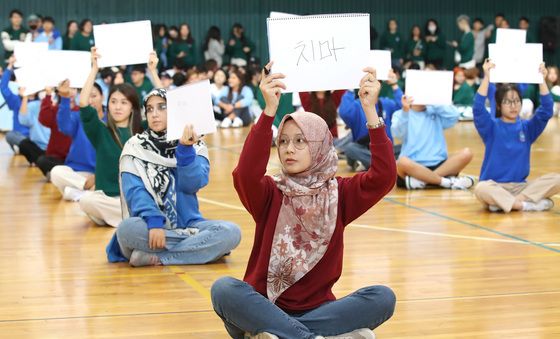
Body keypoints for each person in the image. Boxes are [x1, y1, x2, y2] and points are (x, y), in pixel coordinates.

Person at [211, 64, 396, 339]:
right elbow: (245, 174)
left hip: (318, 311)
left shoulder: (340, 194)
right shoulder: (271, 192)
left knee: (383, 297)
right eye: (283, 141)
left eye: (300, 141)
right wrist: (269, 111)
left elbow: (384, 177)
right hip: (265, 306)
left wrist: (370, 111)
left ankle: (283, 335)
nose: (289, 148)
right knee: (224, 290)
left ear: (320, 145)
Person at [106, 88, 242, 266]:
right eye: (150, 109)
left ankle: (159, 258)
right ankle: (199, 249)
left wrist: (185, 150)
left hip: (189, 224)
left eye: (162, 107)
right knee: (125, 230)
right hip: (147, 226)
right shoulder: (135, 146)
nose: (155, 114)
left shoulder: (195, 145)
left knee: (231, 232)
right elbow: (135, 192)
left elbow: (192, 184)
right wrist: (154, 222)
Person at [473, 59, 560, 212]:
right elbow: (478, 108)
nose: (513, 106)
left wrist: (541, 79)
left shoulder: (527, 128)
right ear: (499, 105)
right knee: (481, 188)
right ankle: (525, 206)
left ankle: (505, 203)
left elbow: (547, 110)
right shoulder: (491, 126)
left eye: (517, 101)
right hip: (494, 185)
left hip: (521, 187)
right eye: (508, 102)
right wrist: (487, 76)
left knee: (557, 179)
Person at [77, 47, 144, 227]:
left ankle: (124, 219)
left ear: (133, 107)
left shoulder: (142, 131)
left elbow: (167, 109)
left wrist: (152, 71)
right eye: (113, 102)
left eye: (124, 102)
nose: (117, 107)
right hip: (107, 198)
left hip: (135, 199)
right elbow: (83, 103)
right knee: (87, 201)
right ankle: (129, 220)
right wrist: (94, 69)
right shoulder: (101, 131)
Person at [391, 95, 475, 190]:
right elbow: (398, 133)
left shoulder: (436, 111)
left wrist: (435, 102)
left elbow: (454, 116)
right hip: (413, 166)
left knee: (467, 153)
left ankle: (424, 181)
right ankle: (446, 182)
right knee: (402, 162)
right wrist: (405, 112)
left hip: (440, 165)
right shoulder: (400, 114)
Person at [50, 79, 104, 201]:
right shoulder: (78, 117)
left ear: (102, 96)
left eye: (94, 96)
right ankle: (87, 189)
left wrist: (98, 176)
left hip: (99, 174)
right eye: (86, 97)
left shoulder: (111, 120)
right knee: (56, 172)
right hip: (77, 173)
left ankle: (77, 193)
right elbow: (64, 127)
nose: (90, 101)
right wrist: (64, 98)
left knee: (68, 191)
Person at [339, 71, 403, 171]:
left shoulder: (386, 103)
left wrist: (394, 85)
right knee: (350, 148)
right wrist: (351, 86)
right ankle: (386, 165)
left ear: (379, 86)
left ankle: (368, 164)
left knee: (404, 148)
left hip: (385, 149)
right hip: (363, 148)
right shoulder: (356, 105)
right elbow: (344, 112)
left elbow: (401, 106)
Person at [35, 87, 72, 178]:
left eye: (73, 88)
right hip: (57, 158)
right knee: (42, 160)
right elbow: (44, 119)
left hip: (75, 160)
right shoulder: (56, 110)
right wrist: (48, 95)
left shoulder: (80, 111)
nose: (69, 91)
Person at [0, 56, 29, 152]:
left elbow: (4, 87)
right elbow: (3, 87)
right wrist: (10, 65)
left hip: (34, 139)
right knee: (10, 136)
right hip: (21, 137)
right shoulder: (16, 100)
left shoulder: (42, 101)